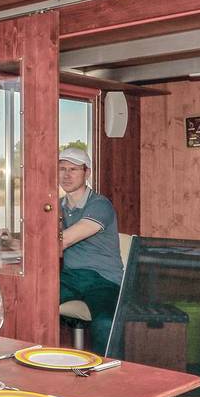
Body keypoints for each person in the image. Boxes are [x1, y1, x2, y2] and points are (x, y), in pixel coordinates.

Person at [58, 147, 122, 355]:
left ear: (87, 173)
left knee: (105, 323)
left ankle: (107, 379)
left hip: (103, 279)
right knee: (33, 303)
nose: (66, 175)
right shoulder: (57, 206)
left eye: (73, 169)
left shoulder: (100, 205)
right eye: (62, 169)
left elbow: (64, 240)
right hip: (70, 276)